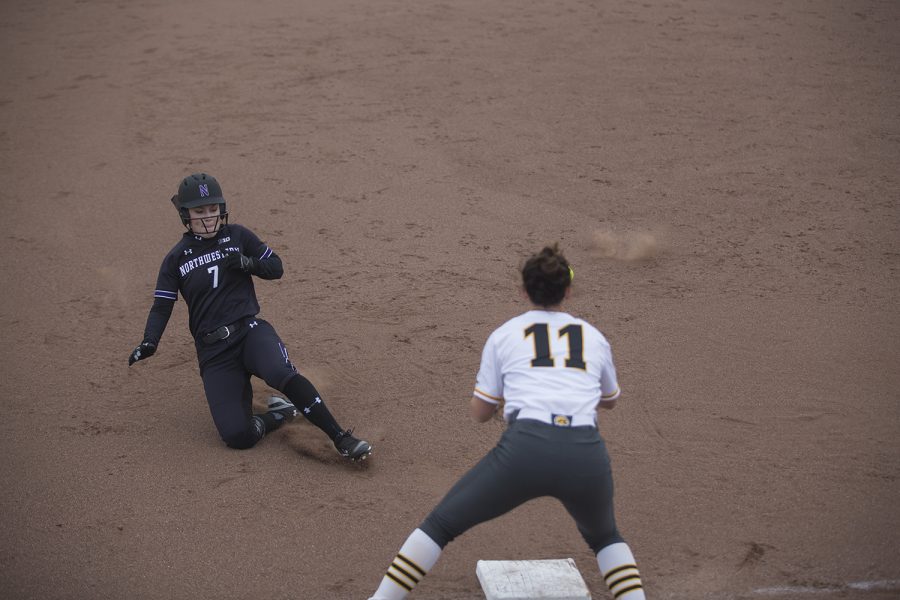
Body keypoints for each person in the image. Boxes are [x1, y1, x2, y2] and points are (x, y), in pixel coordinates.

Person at [368, 244, 646, 599]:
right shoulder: (593, 337)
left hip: (525, 450)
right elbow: (611, 400)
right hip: (585, 454)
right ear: (568, 291)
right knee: (606, 537)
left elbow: (480, 413)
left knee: (440, 525)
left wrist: (504, 401)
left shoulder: (504, 335)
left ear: (524, 291)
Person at [128, 173, 372, 461]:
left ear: (221, 208)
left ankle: (341, 437)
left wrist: (249, 263)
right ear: (185, 215)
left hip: (249, 332)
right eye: (199, 211)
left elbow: (276, 267)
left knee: (282, 374)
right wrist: (150, 341)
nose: (208, 217)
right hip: (214, 353)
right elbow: (162, 306)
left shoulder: (238, 236)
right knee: (237, 437)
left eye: (212, 209)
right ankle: (278, 415)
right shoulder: (176, 258)